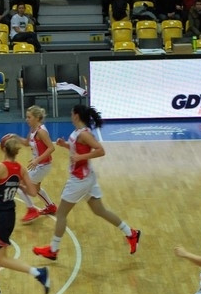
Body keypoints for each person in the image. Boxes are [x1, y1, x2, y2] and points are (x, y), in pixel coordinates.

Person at [33, 105, 141, 261]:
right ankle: (131, 233)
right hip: (88, 178)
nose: (70, 115)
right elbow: (78, 148)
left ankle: (53, 249)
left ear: (76, 115)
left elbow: (100, 150)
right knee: (99, 210)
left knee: (61, 213)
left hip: (79, 179)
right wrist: (65, 145)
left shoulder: (84, 134)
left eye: (71, 113)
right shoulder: (79, 132)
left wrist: (80, 158)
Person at [0, 135, 50, 294]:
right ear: (16, 152)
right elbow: (32, 193)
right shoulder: (20, 168)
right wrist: (19, 184)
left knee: (0, 258)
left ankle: (38, 273)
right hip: (10, 214)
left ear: (3, 149)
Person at [18, 106, 57, 224]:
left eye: (29, 117)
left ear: (36, 118)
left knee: (19, 185)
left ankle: (31, 210)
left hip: (42, 165)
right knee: (36, 188)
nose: (27, 119)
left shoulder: (41, 131)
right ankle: (50, 206)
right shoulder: (33, 130)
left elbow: (51, 148)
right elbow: (26, 143)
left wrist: (37, 160)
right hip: (39, 165)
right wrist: (14, 137)